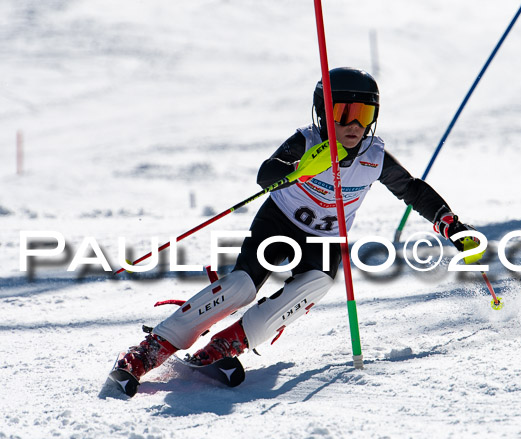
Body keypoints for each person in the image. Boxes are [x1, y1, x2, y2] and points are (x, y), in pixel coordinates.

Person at [109, 67, 481, 397]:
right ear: (323, 114)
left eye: (363, 115)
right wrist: (304, 166)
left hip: (325, 238)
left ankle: (226, 345)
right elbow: (266, 175)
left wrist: (449, 223)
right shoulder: (306, 141)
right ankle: (148, 351)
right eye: (343, 113)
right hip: (280, 222)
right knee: (241, 287)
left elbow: (411, 189)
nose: (354, 125)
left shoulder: (373, 156)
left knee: (317, 282)